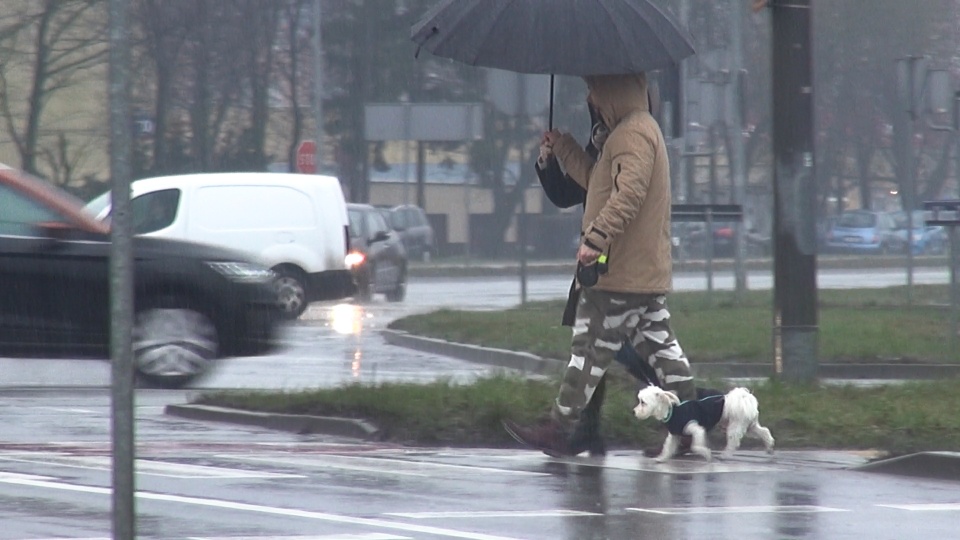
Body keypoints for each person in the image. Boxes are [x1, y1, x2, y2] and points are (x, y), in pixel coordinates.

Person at [504, 73, 698, 457]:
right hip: (640, 272)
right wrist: (563, 147)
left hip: (620, 274)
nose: (591, 97)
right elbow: (598, 182)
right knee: (664, 355)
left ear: (614, 92)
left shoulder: (633, 135)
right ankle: (692, 424)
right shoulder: (632, 133)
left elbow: (629, 194)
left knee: (588, 351)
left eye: (596, 90)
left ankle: (560, 428)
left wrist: (596, 239)